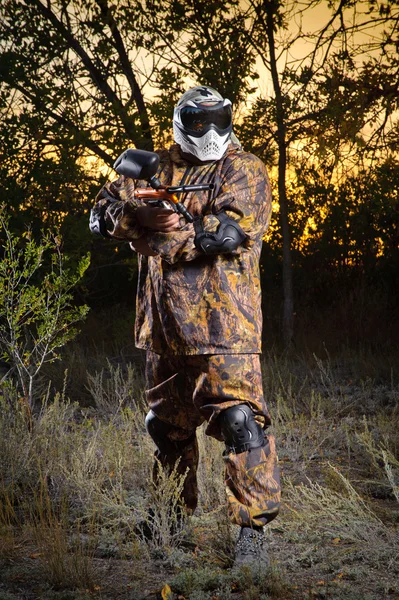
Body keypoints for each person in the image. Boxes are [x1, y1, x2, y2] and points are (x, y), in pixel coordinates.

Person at [90, 85, 280, 566]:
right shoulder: (157, 166)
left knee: (241, 424)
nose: (211, 131)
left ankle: (252, 533)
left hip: (225, 329)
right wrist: (138, 214)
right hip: (163, 330)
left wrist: (157, 234)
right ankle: (170, 518)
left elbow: (227, 234)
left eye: (220, 119)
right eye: (199, 121)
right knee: (166, 428)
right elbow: (100, 214)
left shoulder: (244, 169)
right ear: (181, 121)